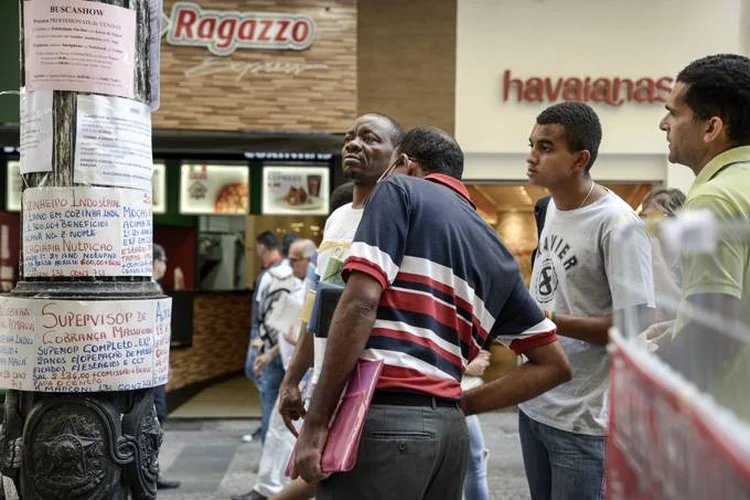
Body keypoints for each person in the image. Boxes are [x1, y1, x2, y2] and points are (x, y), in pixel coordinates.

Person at [291, 126, 571, 499]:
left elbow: (360, 303)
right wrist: (458, 404)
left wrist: (316, 423)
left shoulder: (398, 190)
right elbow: (554, 364)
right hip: (448, 434)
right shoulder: (494, 248)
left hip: (384, 421)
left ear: (405, 164)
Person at [521, 102, 654, 500]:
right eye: (531, 144)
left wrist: (545, 319)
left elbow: (632, 327)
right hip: (534, 401)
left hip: (583, 420)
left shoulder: (617, 223)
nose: (532, 157)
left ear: (580, 158)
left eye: (545, 147)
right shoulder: (551, 209)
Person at [656, 53, 750, 419]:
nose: (664, 124)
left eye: (674, 113)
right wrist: (681, 325)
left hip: (726, 425)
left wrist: (646, 378)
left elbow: (713, 336)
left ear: (711, 128)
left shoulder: (713, 199)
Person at [233, 239, 317, 500]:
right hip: (289, 368)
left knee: (287, 431)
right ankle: (269, 487)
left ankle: (274, 488)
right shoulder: (299, 289)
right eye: (289, 259)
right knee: (277, 429)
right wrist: (269, 355)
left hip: (303, 372)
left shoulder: (313, 288)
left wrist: (298, 344)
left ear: (310, 259)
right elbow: (289, 332)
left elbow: (307, 336)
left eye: (296, 260)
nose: (290, 265)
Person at [243, 232, 285, 443]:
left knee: (261, 377)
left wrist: (257, 336)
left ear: (262, 247)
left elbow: (259, 310)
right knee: (269, 383)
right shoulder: (284, 271)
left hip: (265, 335)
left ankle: (266, 434)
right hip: (280, 338)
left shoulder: (269, 274)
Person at [152, 244, 180, 490]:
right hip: (150, 368)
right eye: (164, 260)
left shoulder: (154, 287)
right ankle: (149, 473)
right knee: (155, 416)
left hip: (155, 364)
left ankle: (150, 471)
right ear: (155, 262)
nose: (166, 265)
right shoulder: (148, 288)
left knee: (155, 417)